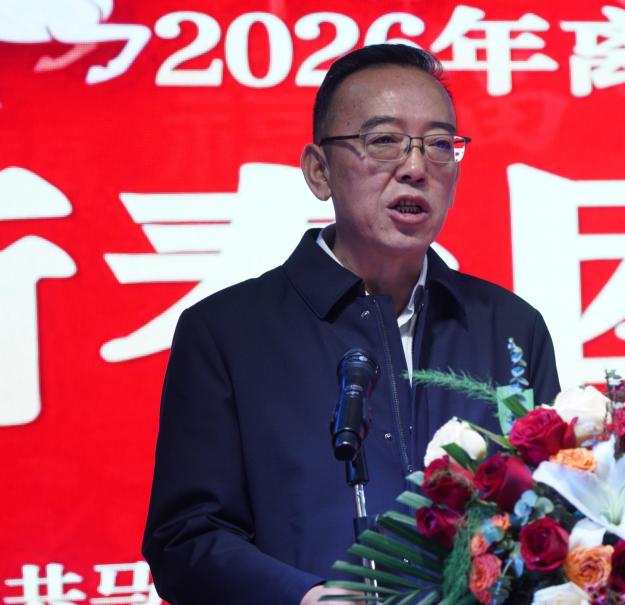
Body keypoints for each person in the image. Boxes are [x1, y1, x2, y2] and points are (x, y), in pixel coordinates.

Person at [141, 44, 560, 605]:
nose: (416, 167)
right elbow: (185, 540)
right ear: (319, 171)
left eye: (439, 145)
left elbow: (552, 514)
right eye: (384, 140)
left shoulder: (509, 328)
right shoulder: (225, 334)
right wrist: (304, 598)